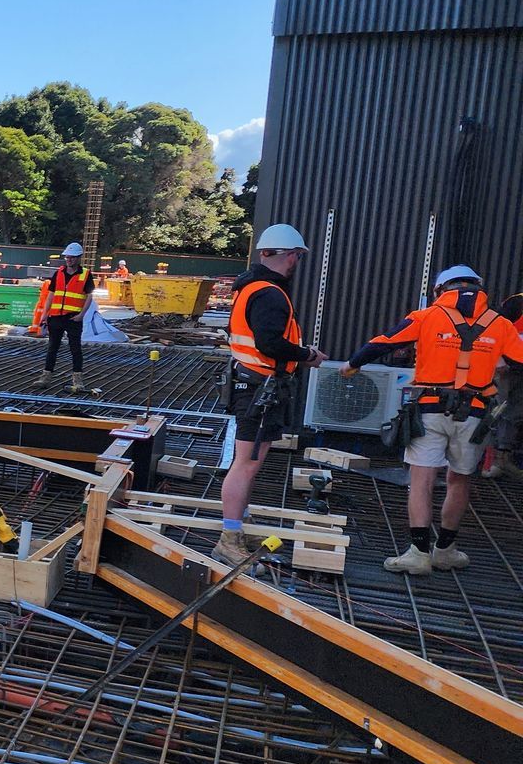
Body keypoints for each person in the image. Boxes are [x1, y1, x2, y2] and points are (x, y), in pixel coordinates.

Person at [341, 265, 523, 575]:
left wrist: (352, 365)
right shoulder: (501, 324)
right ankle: (445, 551)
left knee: (421, 480)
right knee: (459, 479)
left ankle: (419, 553)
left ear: (441, 290)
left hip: (430, 409)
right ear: (479, 289)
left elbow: (383, 342)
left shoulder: (425, 316)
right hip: (475, 414)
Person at [216, 224, 327, 561]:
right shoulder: (270, 293)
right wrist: (307, 355)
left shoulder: (250, 288)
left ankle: (239, 520)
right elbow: (269, 342)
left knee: (250, 460)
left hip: (252, 384)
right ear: (290, 255)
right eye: (296, 256)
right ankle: (229, 536)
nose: (296, 263)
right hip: (257, 390)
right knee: (246, 464)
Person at [30, 242, 97, 393]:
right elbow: (51, 295)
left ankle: (78, 381)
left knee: (75, 349)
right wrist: (45, 314)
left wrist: (81, 315)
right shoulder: (58, 273)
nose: (69, 260)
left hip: (73, 318)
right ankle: (45, 377)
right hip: (56, 318)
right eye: (67, 257)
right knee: (52, 348)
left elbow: (89, 297)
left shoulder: (85, 274)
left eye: (72, 257)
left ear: (79, 258)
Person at [489, 290, 523, 479]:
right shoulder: (517, 303)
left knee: (515, 415)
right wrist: (498, 361)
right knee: (496, 411)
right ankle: (488, 462)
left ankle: (502, 460)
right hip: (506, 369)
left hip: (520, 369)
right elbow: (493, 330)